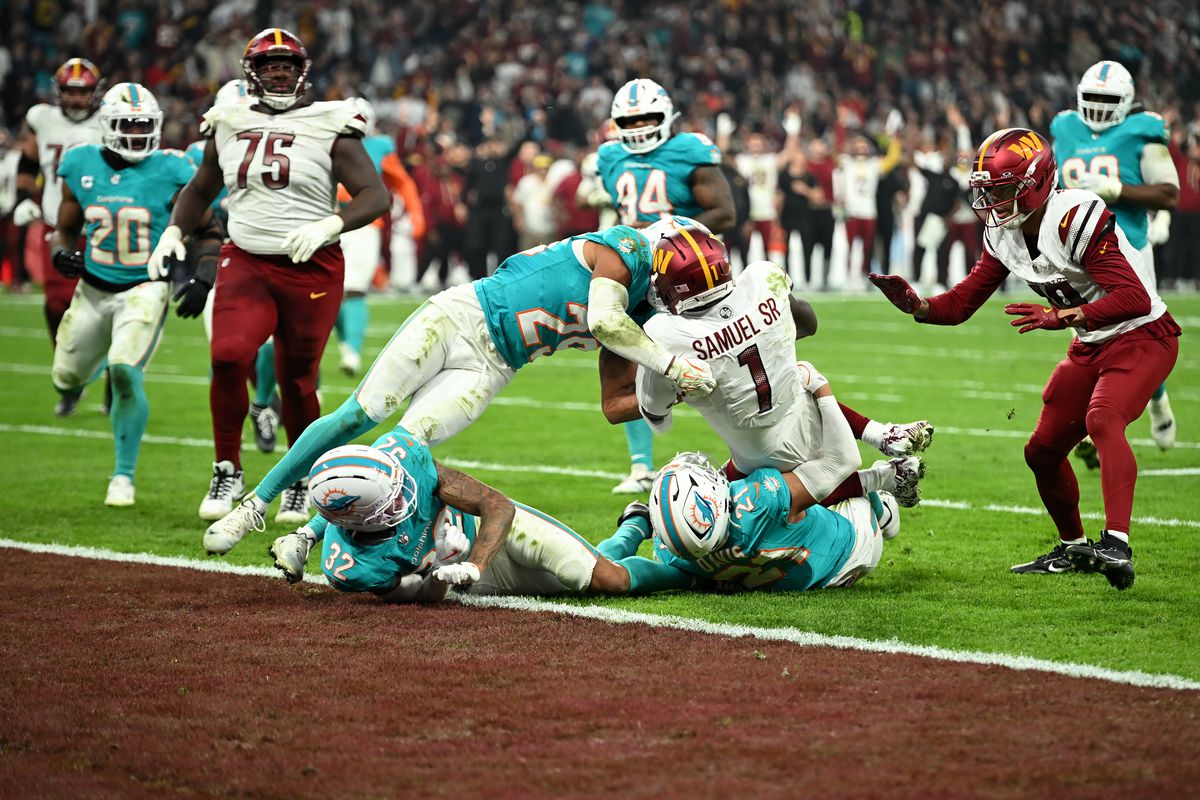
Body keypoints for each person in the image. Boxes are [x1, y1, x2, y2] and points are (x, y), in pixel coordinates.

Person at [201, 217, 717, 557]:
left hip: (494, 365)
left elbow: (614, 404)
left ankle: (306, 536)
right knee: (362, 412)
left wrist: (678, 395)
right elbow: (603, 319)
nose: (677, 296)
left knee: (405, 448)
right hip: (460, 316)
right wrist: (672, 366)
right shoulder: (626, 247)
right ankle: (254, 506)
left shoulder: (638, 316)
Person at [869, 127, 1180, 591]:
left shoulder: (1072, 217)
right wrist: (918, 305)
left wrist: (1063, 316)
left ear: (1035, 183)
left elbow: (1134, 297)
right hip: (1091, 342)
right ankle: (1074, 549)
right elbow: (963, 303)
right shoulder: (1005, 234)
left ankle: (1117, 544)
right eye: (988, 191)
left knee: (1102, 419)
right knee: (1042, 451)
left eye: (1002, 190)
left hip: (1144, 335)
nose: (992, 202)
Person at [150, 28, 390, 525]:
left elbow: (375, 195)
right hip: (247, 260)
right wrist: (174, 229)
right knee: (227, 356)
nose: (278, 73)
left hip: (312, 266)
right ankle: (227, 469)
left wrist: (331, 223)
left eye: (286, 64)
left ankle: (299, 479)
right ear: (250, 73)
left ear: (302, 71)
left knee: (298, 381)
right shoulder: (228, 120)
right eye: (268, 65)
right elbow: (200, 188)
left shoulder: (331, 121)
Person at [629, 226, 930, 509]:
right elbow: (809, 323)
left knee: (748, 506)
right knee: (803, 374)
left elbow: (657, 418)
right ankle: (882, 434)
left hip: (757, 453)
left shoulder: (664, 334)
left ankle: (885, 475)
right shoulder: (761, 277)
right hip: (803, 415)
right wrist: (762, 336)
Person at [49, 83, 220, 506]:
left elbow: (208, 230)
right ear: (108, 126)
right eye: (128, 125)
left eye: (144, 125)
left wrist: (203, 278)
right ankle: (83, 376)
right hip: (92, 289)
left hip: (146, 286)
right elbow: (65, 228)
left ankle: (122, 477)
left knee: (125, 370)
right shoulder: (80, 163)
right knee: (65, 377)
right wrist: (60, 253)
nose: (137, 133)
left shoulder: (172, 168)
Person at [265, 434, 639, 599]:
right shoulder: (351, 567)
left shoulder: (401, 460)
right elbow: (416, 597)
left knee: (609, 578)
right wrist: (443, 566)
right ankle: (636, 523)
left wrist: (473, 563)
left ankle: (647, 536)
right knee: (589, 579)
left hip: (490, 531)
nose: (406, 494)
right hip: (460, 578)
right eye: (390, 501)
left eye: (399, 485)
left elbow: (498, 506)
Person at [594, 78, 738, 496]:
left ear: (666, 116)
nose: (639, 127)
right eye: (630, 120)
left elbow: (725, 212)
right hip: (639, 272)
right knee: (626, 360)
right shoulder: (609, 156)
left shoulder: (689, 150)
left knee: (725, 356)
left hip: (689, 275)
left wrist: (665, 231)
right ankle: (641, 467)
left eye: (647, 118)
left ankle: (748, 454)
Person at [1051, 60, 1180, 452]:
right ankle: (1092, 423)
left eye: (1107, 99)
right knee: (1089, 338)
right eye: (1092, 97)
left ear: (1127, 101)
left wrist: (1116, 190)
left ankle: (1157, 401)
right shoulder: (1065, 128)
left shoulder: (1142, 132)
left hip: (1130, 249)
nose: (1098, 106)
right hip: (1079, 251)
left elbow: (1169, 193)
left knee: (1140, 334)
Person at [596, 449, 897, 593]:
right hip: (856, 544)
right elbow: (828, 479)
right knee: (812, 461)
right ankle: (883, 510)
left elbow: (605, 565)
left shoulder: (679, 557)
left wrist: (634, 526)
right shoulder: (759, 500)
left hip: (819, 581)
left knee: (793, 509)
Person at [180, 78, 283, 456]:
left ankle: (263, 404)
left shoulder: (278, 146)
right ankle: (227, 451)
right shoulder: (197, 154)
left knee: (274, 346)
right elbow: (187, 199)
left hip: (265, 258)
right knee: (225, 356)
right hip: (219, 261)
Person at [13, 58, 105, 417]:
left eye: (83, 91)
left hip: (102, 228)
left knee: (111, 308)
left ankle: (115, 380)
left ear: (95, 92)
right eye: (70, 91)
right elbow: (28, 161)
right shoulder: (43, 118)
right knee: (56, 306)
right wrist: (23, 198)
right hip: (59, 228)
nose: (77, 98)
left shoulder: (108, 119)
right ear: (58, 91)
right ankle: (69, 379)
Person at [333, 97, 425, 376]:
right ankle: (347, 343)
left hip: (364, 223)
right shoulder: (324, 142)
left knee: (355, 288)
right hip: (328, 223)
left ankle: (352, 352)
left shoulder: (379, 145)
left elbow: (402, 181)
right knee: (329, 291)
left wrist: (416, 212)